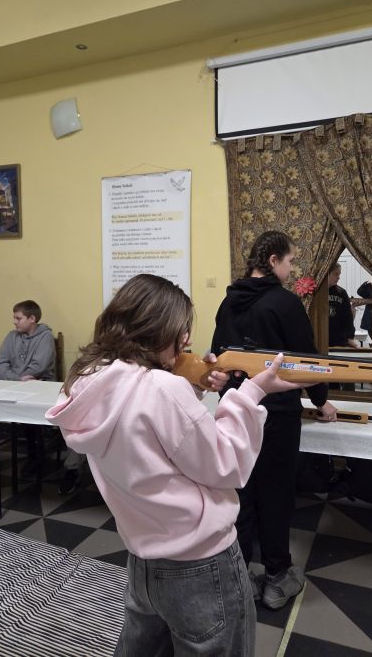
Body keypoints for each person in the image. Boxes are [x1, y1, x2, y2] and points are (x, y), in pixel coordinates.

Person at [46, 273, 306, 656]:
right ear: (156, 327)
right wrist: (250, 392)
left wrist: (194, 384)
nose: (185, 339)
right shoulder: (162, 390)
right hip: (202, 562)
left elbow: (149, 431)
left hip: (143, 558)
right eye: (180, 329)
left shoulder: (91, 381)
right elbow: (228, 465)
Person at [211, 230, 337, 610]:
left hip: (235, 410)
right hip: (277, 415)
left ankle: (239, 577)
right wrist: (322, 402)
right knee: (276, 494)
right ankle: (278, 577)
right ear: (273, 261)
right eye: (290, 261)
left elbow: (219, 356)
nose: (292, 268)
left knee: (242, 493)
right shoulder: (284, 303)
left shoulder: (228, 302)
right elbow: (307, 363)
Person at [0, 300, 56, 470]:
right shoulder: (11, 336)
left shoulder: (45, 337)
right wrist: (17, 379)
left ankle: (35, 456)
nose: (14, 321)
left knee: (29, 411)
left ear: (32, 319)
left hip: (38, 386)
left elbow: (38, 367)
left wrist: (15, 379)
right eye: (14, 318)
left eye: (18, 318)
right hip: (12, 385)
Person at [328, 263, 358, 348]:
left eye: (339, 274)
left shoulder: (341, 293)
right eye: (335, 274)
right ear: (327, 274)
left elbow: (348, 317)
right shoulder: (318, 292)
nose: (338, 277)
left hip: (339, 340)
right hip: (320, 338)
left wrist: (349, 337)